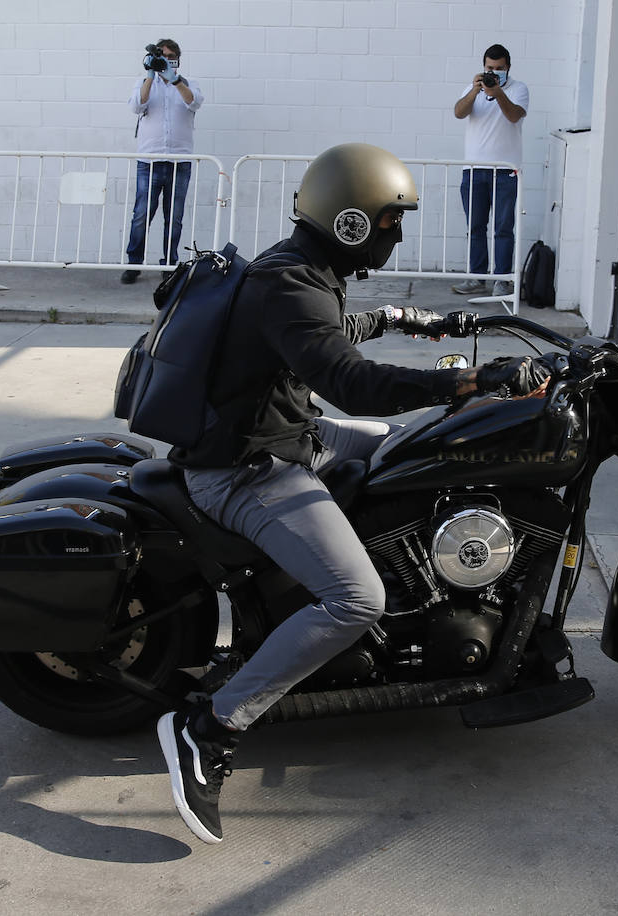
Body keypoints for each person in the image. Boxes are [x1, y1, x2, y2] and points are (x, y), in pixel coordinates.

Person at [156, 142, 550, 844]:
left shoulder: (304, 270)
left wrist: (420, 322)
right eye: (389, 220)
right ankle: (210, 726)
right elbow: (349, 378)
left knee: (423, 450)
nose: (395, 233)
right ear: (351, 223)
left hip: (293, 437)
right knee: (353, 598)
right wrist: (467, 381)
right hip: (246, 469)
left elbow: (332, 331)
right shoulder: (290, 283)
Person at [121, 39, 204, 284]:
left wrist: (175, 80)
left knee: (174, 216)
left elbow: (195, 102)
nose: (164, 60)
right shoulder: (145, 83)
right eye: (161, 56)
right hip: (150, 159)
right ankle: (133, 263)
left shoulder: (188, 84)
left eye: (169, 56)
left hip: (180, 160)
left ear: (177, 59)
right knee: (141, 215)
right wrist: (149, 75)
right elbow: (137, 106)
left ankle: (169, 264)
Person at [452, 43, 529, 299]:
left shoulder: (518, 89)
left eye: (499, 69)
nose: (494, 73)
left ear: (508, 67)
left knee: (504, 228)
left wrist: (498, 93)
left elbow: (514, 116)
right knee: (475, 227)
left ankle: (501, 280)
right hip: (474, 171)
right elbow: (459, 113)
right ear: (483, 67)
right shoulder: (473, 88)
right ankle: (476, 278)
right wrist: (475, 91)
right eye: (489, 68)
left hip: (506, 172)